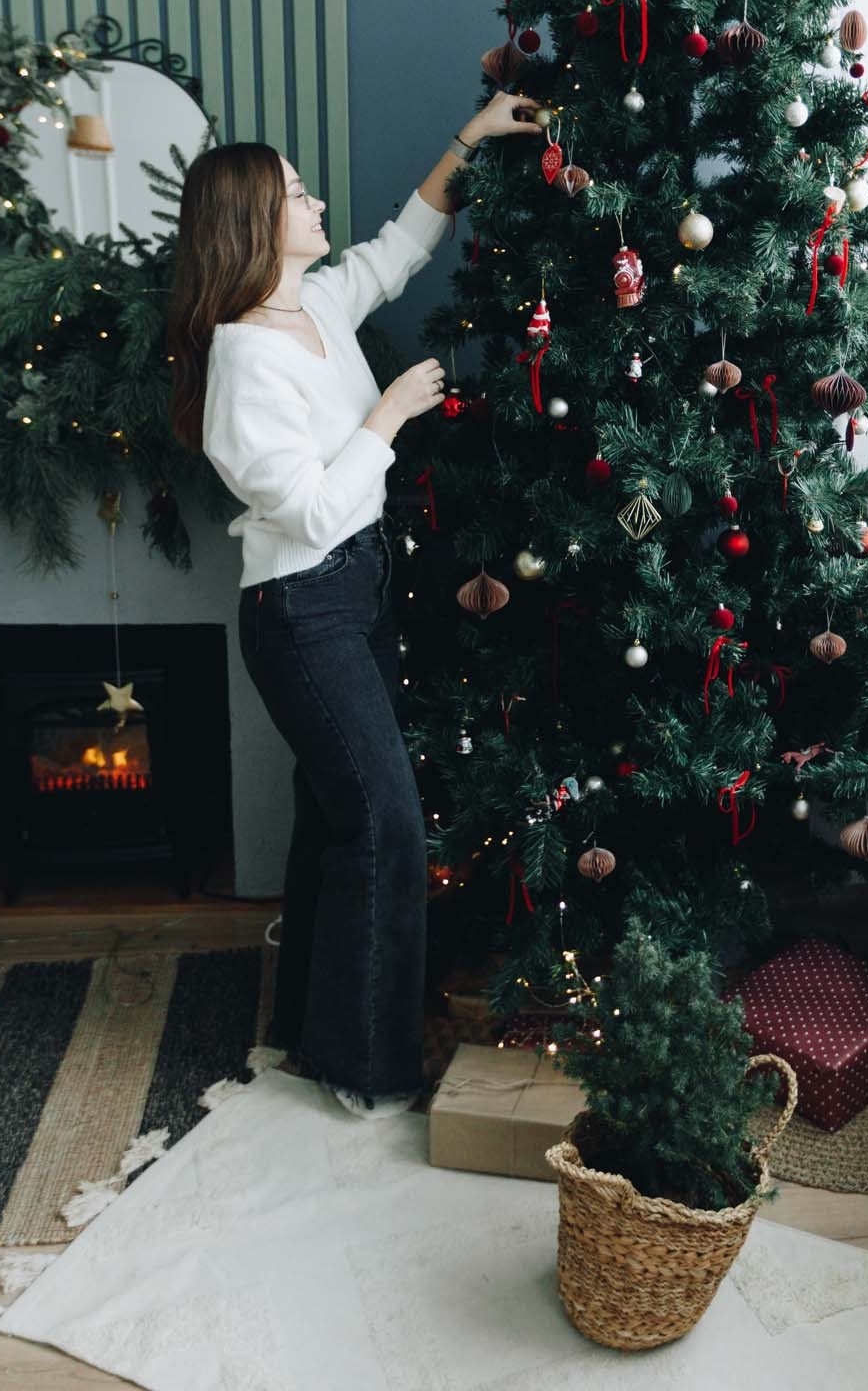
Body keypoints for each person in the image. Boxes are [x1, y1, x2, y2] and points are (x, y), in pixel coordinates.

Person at [167, 89, 542, 1116]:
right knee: (384, 825)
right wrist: (386, 413)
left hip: (358, 589)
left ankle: (308, 1029)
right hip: (301, 611)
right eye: (295, 191)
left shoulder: (316, 303)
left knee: (336, 819)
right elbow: (313, 507)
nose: (315, 198)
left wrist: (467, 136)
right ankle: (367, 1068)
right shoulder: (244, 361)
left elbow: (403, 240)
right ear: (254, 224)